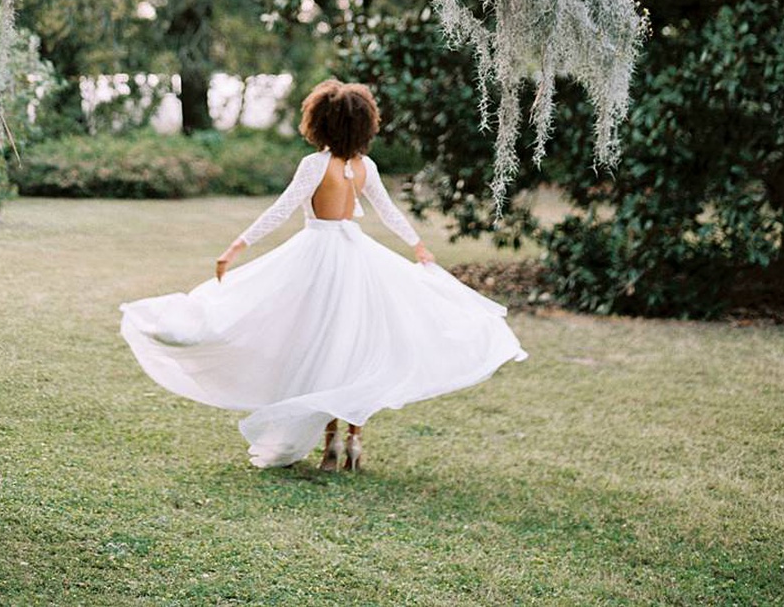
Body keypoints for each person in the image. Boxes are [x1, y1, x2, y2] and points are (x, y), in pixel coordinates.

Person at [119, 79, 526, 471]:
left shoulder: (316, 164)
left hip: (317, 258)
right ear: (366, 124)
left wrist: (236, 247)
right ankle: (353, 439)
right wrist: (416, 245)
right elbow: (388, 211)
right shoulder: (365, 167)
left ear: (320, 123)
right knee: (356, 345)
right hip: (358, 257)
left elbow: (280, 209)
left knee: (323, 346)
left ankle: (331, 439)